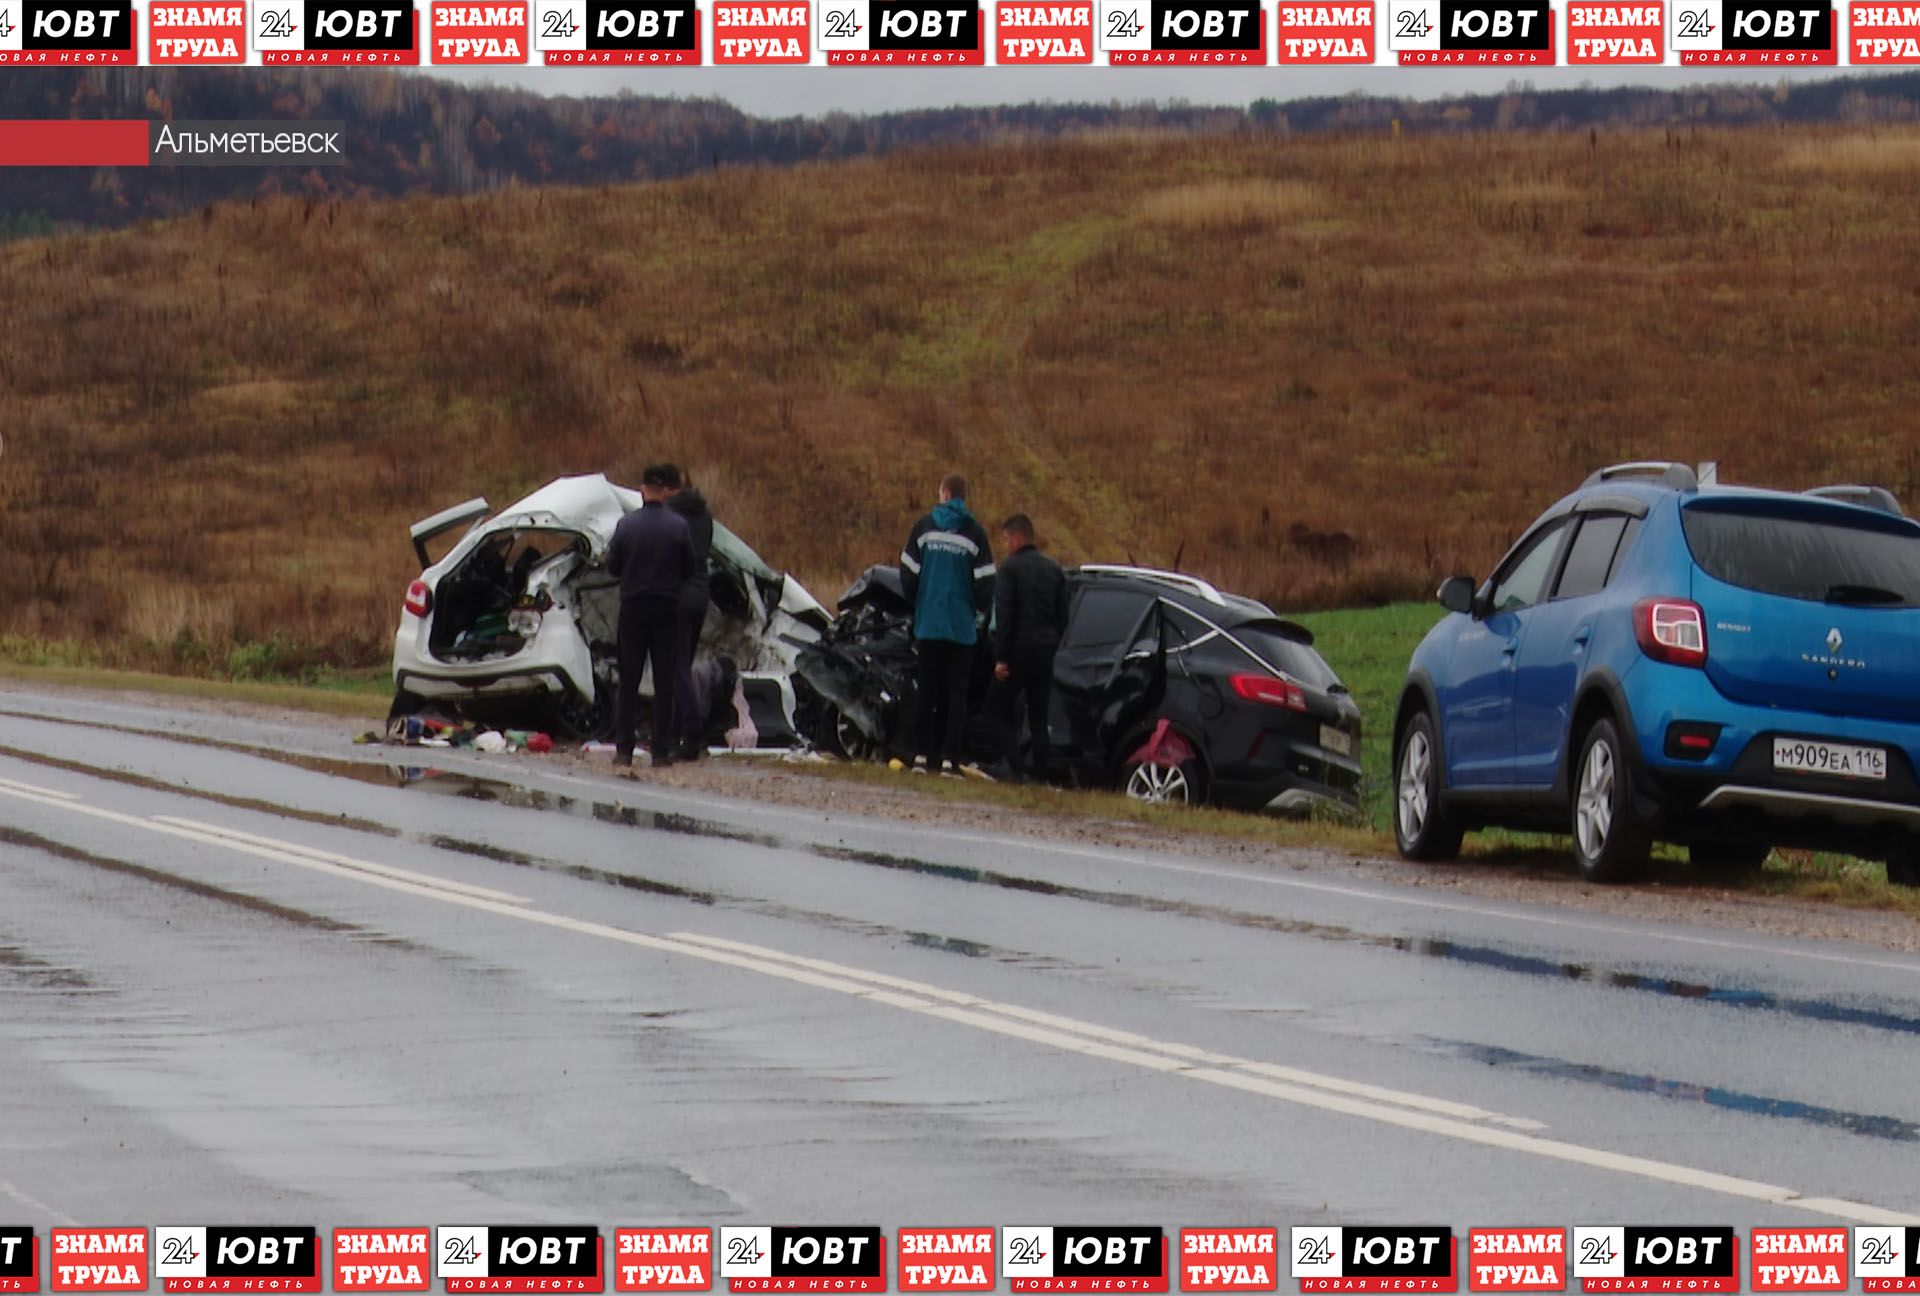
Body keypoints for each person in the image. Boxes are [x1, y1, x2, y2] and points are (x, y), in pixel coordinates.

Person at [899, 473, 995, 774]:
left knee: (927, 690)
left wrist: (920, 602)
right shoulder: (975, 534)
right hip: (961, 628)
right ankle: (951, 757)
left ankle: (924, 755)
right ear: (963, 498)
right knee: (957, 695)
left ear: (943, 493)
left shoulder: (924, 527)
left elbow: (907, 573)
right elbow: (986, 583)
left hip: (929, 623)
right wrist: (974, 609)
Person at [605, 464, 694, 769]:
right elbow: (689, 569)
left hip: (633, 609)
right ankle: (660, 751)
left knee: (628, 681)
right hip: (666, 609)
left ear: (643, 489)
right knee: (664, 682)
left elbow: (613, 566)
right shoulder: (679, 526)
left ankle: (624, 750)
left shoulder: (626, 525)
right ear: (666, 492)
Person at [987, 513, 1070, 783]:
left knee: (994, 710)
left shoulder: (1010, 569)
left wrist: (1001, 658)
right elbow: (1064, 615)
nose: (1006, 545)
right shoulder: (1054, 569)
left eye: (1007, 539)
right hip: (1045, 653)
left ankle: (1017, 768)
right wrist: (1053, 641)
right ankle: (1041, 776)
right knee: (1038, 717)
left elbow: (1005, 615)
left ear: (1018, 537)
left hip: (1017, 652)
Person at [664, 464, 714, 760]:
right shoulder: (704, 514)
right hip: (700, 594)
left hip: (678, 595)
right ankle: (674, 734)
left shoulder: (670, 513)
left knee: (676, 668)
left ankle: (692, 734)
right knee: (683, 664)